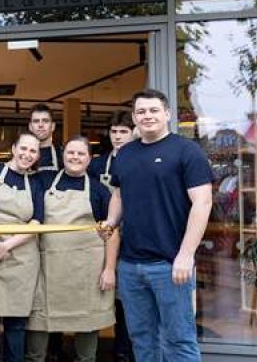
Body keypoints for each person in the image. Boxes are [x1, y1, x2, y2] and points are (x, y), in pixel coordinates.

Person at [99, 89, 214, 362]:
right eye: (141, 111)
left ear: (167, 114)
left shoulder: (187, 151)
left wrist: (185, 255)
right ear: (135, 117)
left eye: (153, 110)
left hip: (171, 265)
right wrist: (112, 220)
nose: (147, 116)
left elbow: (203, 203)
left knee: (179, 342)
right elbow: (118, 194)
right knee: (142, 341)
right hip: (130, 266)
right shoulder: (125, 154)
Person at [26, 136, 118, 362]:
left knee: (87, 348)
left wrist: (109, 269)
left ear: (89, 159)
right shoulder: (44, 180)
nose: (75, 157)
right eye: (70, 153)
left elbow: (112, 231)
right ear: (63, 156)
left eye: (80, 154)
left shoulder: (98, 190)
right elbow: (17, 171)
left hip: (87, 273)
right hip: (47, 269)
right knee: (36, 344)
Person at [0, 133, 44, 362]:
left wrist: (7, 245)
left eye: (33, 151)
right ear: (13, 148)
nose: (27, 154)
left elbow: (36, 221)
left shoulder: (36, 183)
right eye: (23, 148)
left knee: (16, 328)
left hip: (22, 259)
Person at [86, 111, 134, 362]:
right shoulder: (96, 164)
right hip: (101, 235)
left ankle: (123, 350)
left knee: (126, 296)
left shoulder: (138, 159)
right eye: (114, 132)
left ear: (133, 132)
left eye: (123, 131)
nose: (118, 136)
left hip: (133, 235)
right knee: (103, 291)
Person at [28, 104, 63, 172]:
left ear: (53, 126)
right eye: (36, 121)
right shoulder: (22, 155)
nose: (40, 125)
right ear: (30, 127)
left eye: (45, 121)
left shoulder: (64, 154)